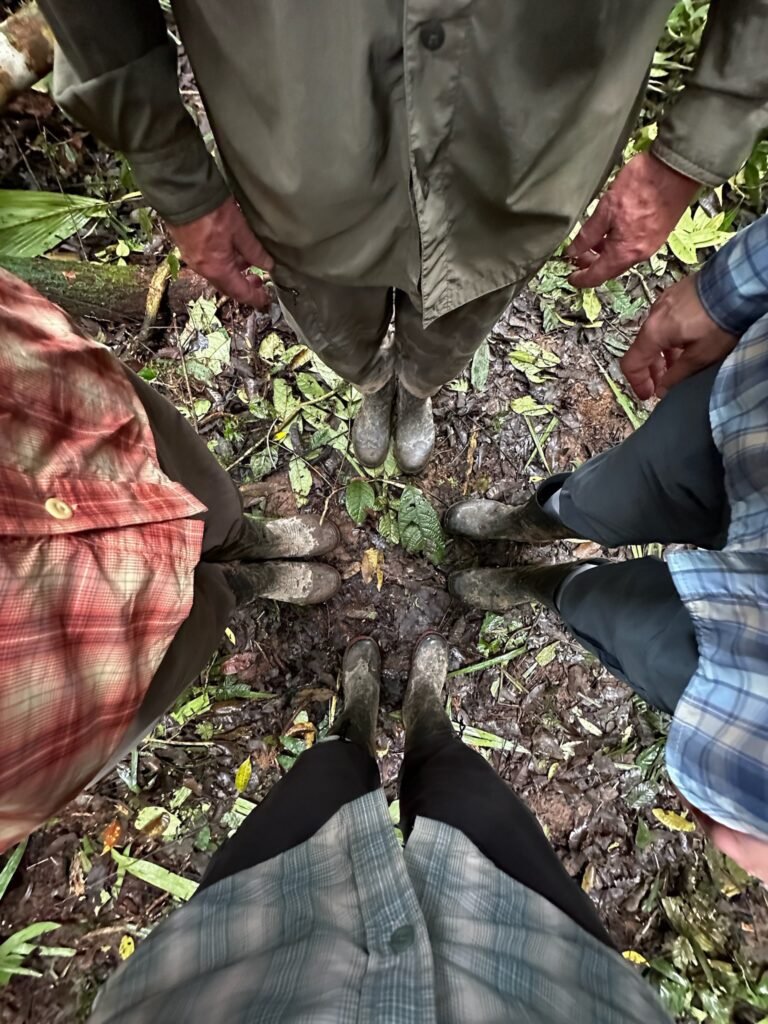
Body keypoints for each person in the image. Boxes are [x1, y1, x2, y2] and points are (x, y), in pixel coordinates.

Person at [38, 1, 768, 474]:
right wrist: (177, 175)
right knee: (333, 316)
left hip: (523, 158)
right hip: (300, 156)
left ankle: (415, 385)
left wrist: (690, 149)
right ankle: (368, 379)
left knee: (460, 310)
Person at [86, 634, 671, 1024]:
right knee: (458, 787)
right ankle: (425, 723)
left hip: (258, 950)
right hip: (535, 964)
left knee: (327, 776)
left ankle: (359, 725)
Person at [444, 214, 768, 884]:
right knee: (614, 492)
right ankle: (537, 521)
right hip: (749, 419)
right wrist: (729, 292)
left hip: (747, 687)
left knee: (615, 618)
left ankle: (552, 586)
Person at [0, 271, 341, 852]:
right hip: (56, 677)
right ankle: (242, 583)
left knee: (184, 478)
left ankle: (242, 536)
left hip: (38, 418)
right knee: (181, 629)